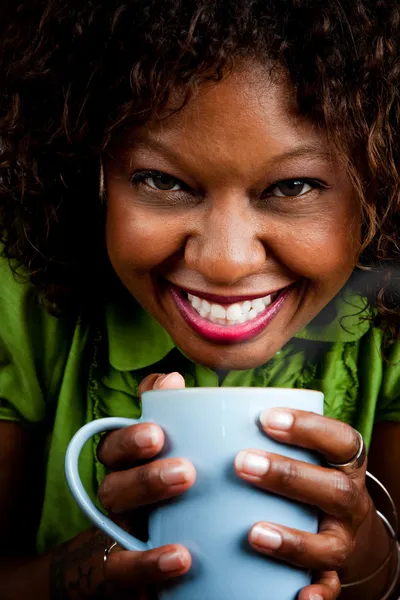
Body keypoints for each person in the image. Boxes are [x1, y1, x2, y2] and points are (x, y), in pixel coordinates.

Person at [0, 1, 399, 599]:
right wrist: (100, 562)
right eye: (163, 181)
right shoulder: (24, 303)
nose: (225, 260)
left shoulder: (390, 324)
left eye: (293, 186)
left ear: (379, 186)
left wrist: (360, 545)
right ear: (91, 171)